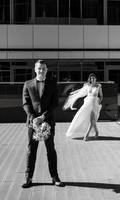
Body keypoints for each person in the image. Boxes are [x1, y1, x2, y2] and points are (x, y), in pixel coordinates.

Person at [22, 60, 64, 188]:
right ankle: (28, 178)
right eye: (39, 68)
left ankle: (55, 177)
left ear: (46, 70)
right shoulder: (28, 84)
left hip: (48, 122)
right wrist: (33, 117)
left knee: (50, 150)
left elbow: (55, 103)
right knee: (31, 150)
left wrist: (44, 116)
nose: (41, 71)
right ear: (35, 69)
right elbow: (26, 103)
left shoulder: (52, 84)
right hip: (33, 123)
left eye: (43, 69)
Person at [63, 73, 103, 141]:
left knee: (92, 119)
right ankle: (96, 132)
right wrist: (74, 93)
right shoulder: (87, 86)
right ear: (90, 79)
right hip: (87, 103)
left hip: (95, 104)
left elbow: (101, 95)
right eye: (91, 78)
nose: (92, 79)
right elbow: (81, 92)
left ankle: (86, 135)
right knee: (80, 117)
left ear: (96, 79)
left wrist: (100, 101)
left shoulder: (98, 86)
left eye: (93, 78)